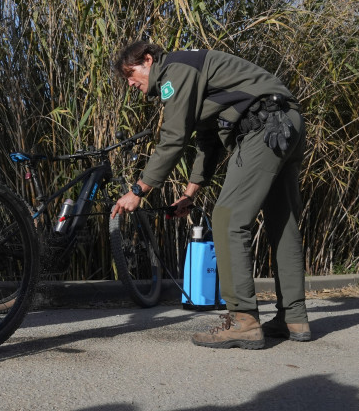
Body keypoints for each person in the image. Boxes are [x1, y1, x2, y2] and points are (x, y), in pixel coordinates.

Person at [110, 41, 309, 349]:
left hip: (264, 127)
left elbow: (174, 137)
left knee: (228, 218)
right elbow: (207, 141)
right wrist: (190, 194)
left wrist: (139, 190)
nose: (131, 84)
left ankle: (243, 320)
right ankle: (293, 318)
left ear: (148, 60)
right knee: (282, 224)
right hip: (286, 123)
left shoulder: (175, 71)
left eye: (131, 75)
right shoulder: (195, 75)